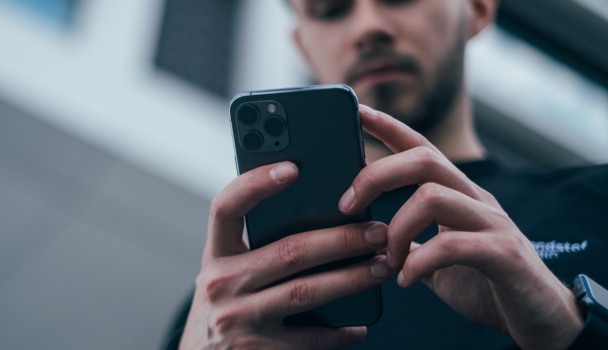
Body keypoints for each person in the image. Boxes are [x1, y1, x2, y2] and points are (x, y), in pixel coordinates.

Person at [165, 0, 608, 348]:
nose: (368, 26)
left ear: (476, 7)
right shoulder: (230, 301)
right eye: (331, 9)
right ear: (303, 47)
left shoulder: (597, 202)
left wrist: (570, 329)